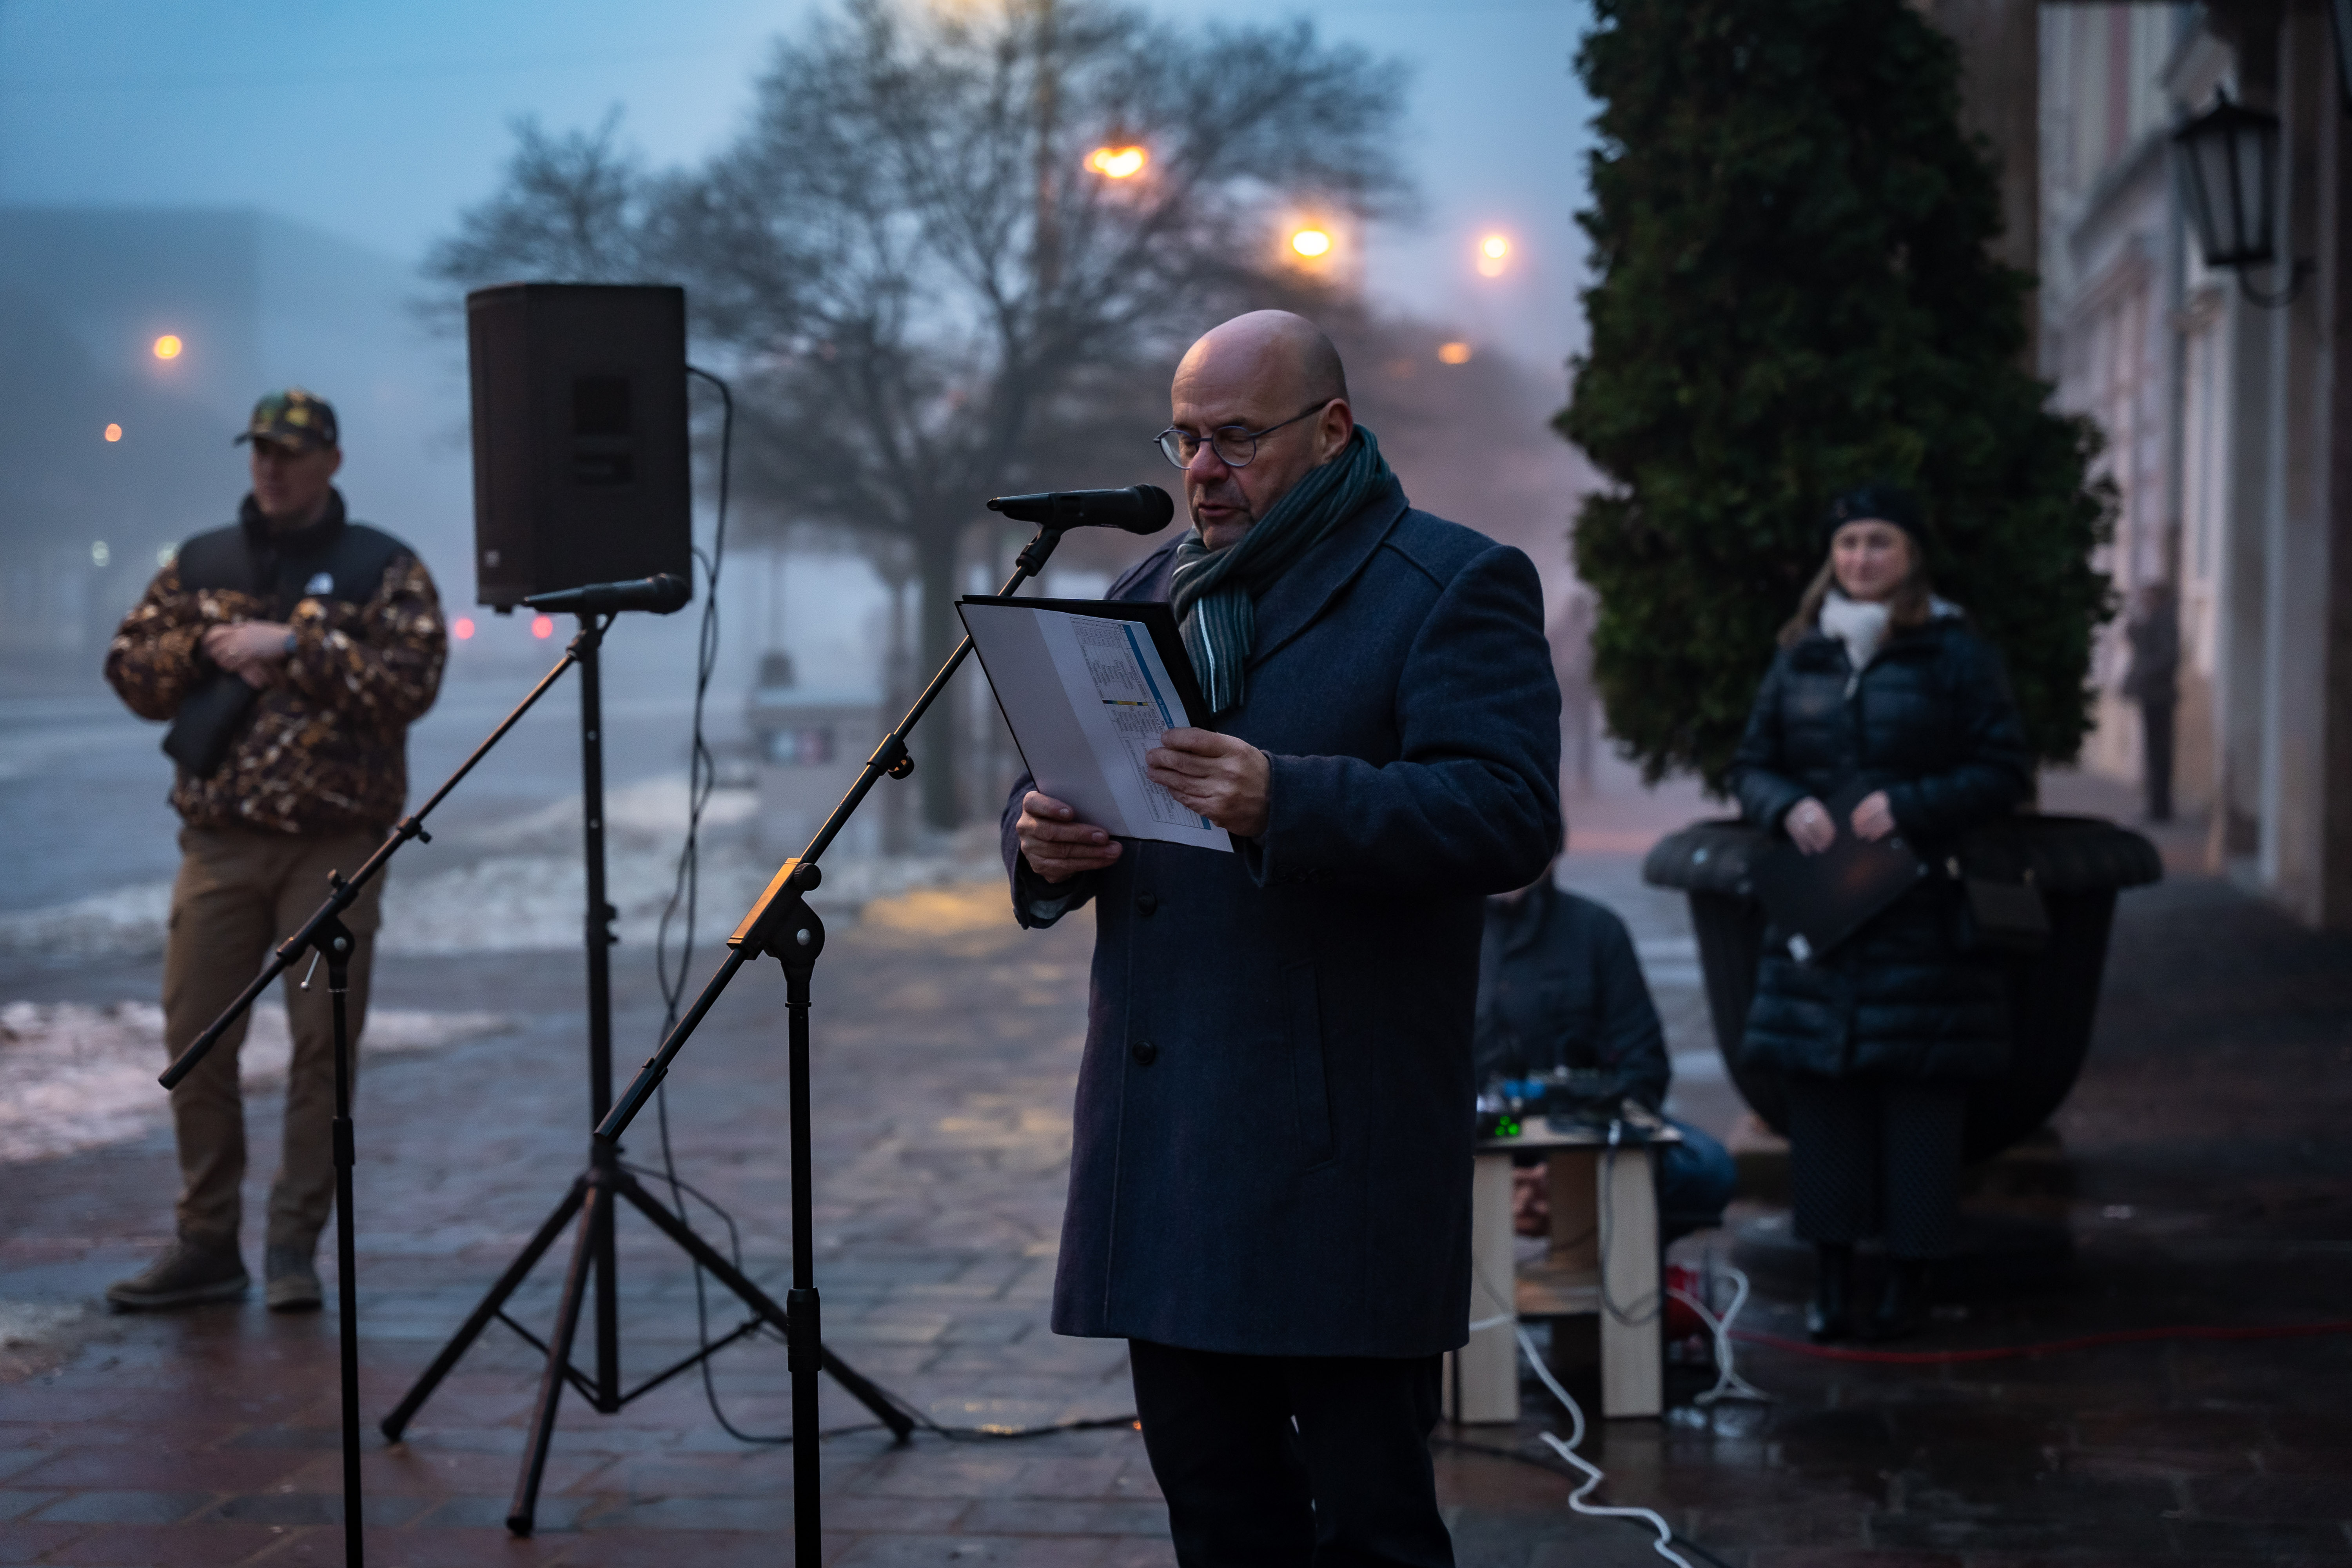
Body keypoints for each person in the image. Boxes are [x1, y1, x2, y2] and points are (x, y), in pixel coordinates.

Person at [1004, 311, 1559, 1565]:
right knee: (1216, 1511)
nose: (1198, 470)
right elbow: (1065, 771)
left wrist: (1287, 798)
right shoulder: (1142, 593)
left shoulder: (1447, 584)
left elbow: (1507, 812)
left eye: (1235, 440)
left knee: (1370, 1525)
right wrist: (1037, 842)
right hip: (1168, 1139)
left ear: (1329, 432)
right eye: (1185, 438)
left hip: (1334, 1150)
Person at [102, 388, 447, 1313]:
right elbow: (131, 672)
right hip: (218, 844)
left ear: (331, 460)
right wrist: (212, 648)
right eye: (260, 448)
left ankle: (294, 1245)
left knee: (320, 1047)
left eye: (292, 450)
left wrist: (292, 645)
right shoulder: (202, 561)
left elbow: (413, 681)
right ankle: (207, 1240)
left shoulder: (382, 566)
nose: (272, 464)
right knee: (197, 1039)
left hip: (331, 851)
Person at [1729, 483, 2030, 1343]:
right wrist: (1785, 804)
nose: (1862, 557)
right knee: (1823, 1105)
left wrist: (1913, 803)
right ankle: (1829, 1276)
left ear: (1911, 555)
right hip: (1819, 925)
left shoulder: (1955, 652)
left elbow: (2004, 767)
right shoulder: (1800, 654)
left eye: (1880, 542)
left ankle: (1910, 1277)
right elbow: (1752, 761)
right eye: (1850, 541)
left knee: (1919, 1109)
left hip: (1922, 920)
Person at [1475, 857, 1736, 1243]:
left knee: (1708, 1169)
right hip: (1481, 1138)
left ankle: (1620, 1271)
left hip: (1585, 1134)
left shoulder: (1596, 929)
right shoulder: (1442, 938)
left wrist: (1566, 1173)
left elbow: (1645, 1066)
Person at [2122, 581, 2179, 823]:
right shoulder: (2152, 619)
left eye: (2149, 597)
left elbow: (2168, 657)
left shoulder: (2165, 621)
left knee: (2159, 753)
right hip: (2151, 694)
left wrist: (2145, 672)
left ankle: (2161, 807)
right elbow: (2133, 636)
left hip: (2160, 695)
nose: (2146, 601)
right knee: (2153, 752)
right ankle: (2156, 804)